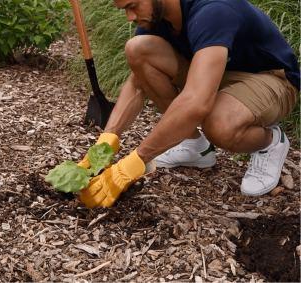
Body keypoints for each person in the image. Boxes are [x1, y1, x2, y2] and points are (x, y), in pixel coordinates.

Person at [77, 0, 300, 208]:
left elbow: (196, 102)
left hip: (271, 78)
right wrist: (105, 143)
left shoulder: (212, 11)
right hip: (217, 69)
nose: (129, 17)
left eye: (133, 6)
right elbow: (137, 84)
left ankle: (269, 142)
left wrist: (133, 163)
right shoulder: (159, 16)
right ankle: (195, 147)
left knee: (219, 124)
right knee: (138, 50)